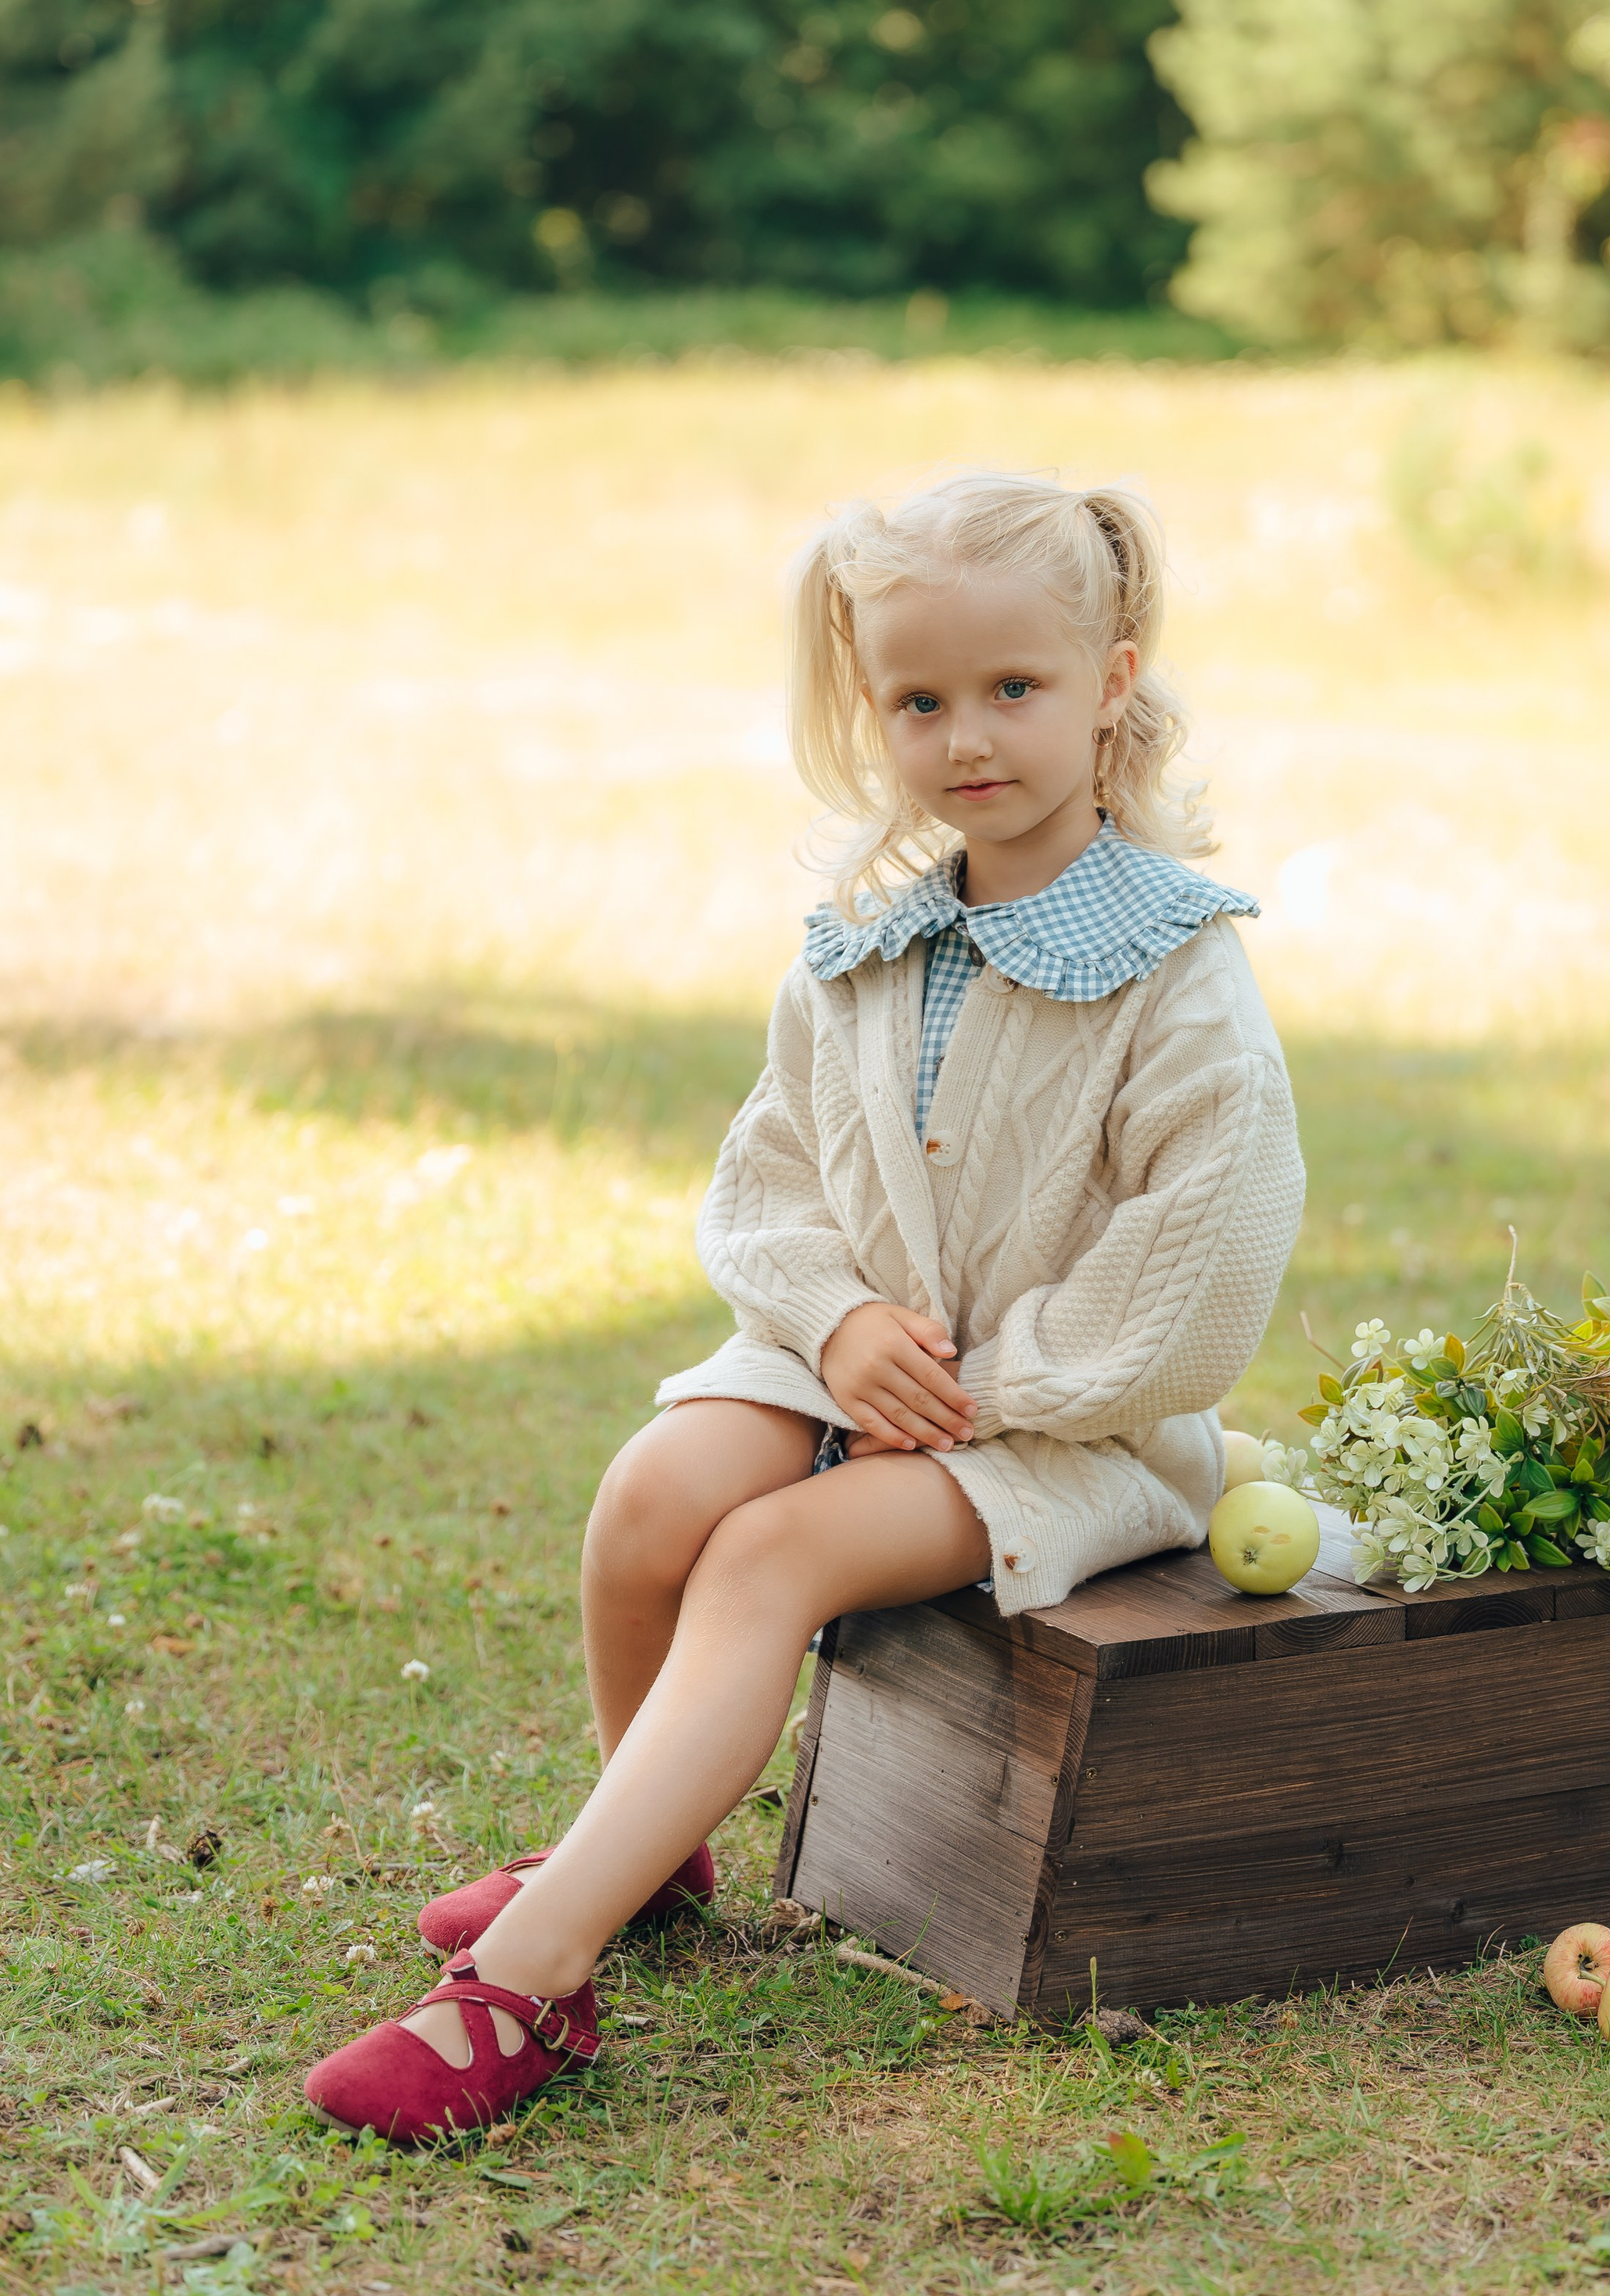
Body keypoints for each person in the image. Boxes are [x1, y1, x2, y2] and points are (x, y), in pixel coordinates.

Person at [305, 473, 1306, 2139]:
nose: (966, 736)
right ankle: (653, 1850)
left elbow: (1197, 1279)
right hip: (851, 1355)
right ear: (870, 704)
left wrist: (983, 1385)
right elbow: (767, 1182)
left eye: (1014, 689)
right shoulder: (863, 943)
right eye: (919, 700)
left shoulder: (1177, 972)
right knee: (655, 1499)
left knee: (769, 1552)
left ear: (1110, 682)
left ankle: (531, 1984)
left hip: (1065, 1424)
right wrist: (835, 1320)